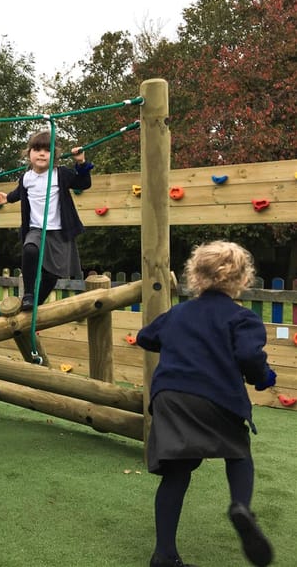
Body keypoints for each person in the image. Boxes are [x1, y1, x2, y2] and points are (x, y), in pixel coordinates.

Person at [135, 241, 276, 567]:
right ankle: (240, 505)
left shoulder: (178, 314)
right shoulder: (243, 319)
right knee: (238, 452)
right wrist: (264, 378)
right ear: (243, 280)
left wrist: (174, 339)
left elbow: (145, 337)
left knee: (176, 473)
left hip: (170, 397)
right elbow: (249, 356)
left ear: (195, 277)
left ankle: (164, 555)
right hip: (216, 396)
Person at [0, 130, 93, 311]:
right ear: (29, 153)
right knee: (30, 249)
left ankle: (35, 303)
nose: (41, 154)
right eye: (37, 149)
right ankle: (29, 295)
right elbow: (20, 193)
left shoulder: (60, 174)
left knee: (52, 274)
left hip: (58, 231)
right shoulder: (26, 178)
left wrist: (81, 163)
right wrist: (7, 198)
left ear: (54, 156)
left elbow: (83, 183)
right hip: (36, 229)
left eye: (47, 151)